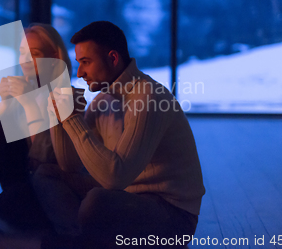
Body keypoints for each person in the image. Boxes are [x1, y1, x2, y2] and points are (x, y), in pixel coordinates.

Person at [33, 21, 205, 248]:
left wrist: (71, 119)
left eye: (86, 62)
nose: (80, 72)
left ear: (113, 58)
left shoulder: (149, 97)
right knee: (46, 173)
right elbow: (70, 166)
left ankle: (78, 240)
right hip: (124, 198)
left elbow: (115, 177)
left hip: (172, 215)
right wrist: (59, 117)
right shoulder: (102, 101)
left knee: (96, 202)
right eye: (79, 63)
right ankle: (76, 237)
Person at [0, 23, 73, 242]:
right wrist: (3, 103)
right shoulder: (25, 87)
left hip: (49, 185)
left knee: (11, 202)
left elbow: (44, 158)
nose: (25, 60)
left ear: (54, 57)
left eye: (35, 54)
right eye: (22, 53)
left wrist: (29, 104)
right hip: (20, 180)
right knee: (1, 124)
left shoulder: (67, 97)